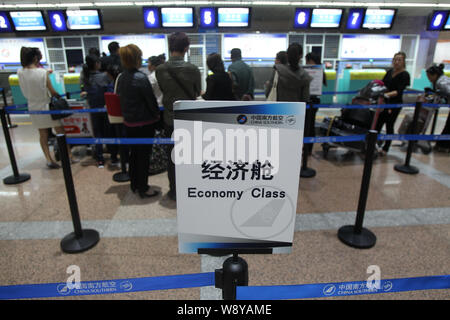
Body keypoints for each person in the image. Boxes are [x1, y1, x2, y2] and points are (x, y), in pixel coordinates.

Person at [156, 32, 202, 201]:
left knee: (172, 156)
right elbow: (197, 91)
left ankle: (174, 190)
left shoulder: (160, 70)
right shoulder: (193, 69)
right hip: (189, 118)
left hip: (170, 119)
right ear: (186, 48)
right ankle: (191, 188)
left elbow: (163, 90)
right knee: (191, 155)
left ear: (170, 47)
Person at [17, 47, 75, 169]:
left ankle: (48, 159)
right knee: (60, 132)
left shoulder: (20, 72)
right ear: (35, 58)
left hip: (32, 107)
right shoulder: (42, 73)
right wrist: (60, 97)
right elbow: (52, 91)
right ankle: (69, 156)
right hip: (46, 106)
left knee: (43, 134)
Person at [116, 44, 160, 198]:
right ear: (136, 58)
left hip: (129, 123)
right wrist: (157, 117)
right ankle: (143, 187)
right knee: (143, 156)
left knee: (134, 154)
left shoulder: (122, 77)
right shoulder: (141, 78)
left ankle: (134, 184)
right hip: (144, 123)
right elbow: (151, 101)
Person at [81, 54, 118, 168]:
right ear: (96, 64)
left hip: (93, 109)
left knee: (97, 134)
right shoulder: (104, 76)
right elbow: (111, 91)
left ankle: (100, 159)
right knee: (109, 133)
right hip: (105, 109)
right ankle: (113, 157)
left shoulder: (85, 77)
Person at [375, 52, 410, 156]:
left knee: (389, 125)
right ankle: (374, 144)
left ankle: (386, 148)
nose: (397, 62)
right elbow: (382, 84)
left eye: (399, 60)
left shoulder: (405, 75)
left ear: (403, 62)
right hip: (384, 103)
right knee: (378, 124)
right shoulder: (389, 72)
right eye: (395, 59)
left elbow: (399, 91)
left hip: (394, 104)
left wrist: (386, 95)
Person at [304, 52, 327, 155]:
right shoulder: (320, 71)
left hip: (311, 101)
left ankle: (308, 149)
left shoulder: (315, 71)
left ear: (311, 61)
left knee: (308, 126)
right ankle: (307, 149)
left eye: (307, 61)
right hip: (314, 101)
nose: (306, 63)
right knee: (309, 125)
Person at [426, 64, 450, 151]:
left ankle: (443, 145)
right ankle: (443, 145)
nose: (428, 78)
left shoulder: (441, 82)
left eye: (429, 76)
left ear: (435, 75)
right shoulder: (441, 79)